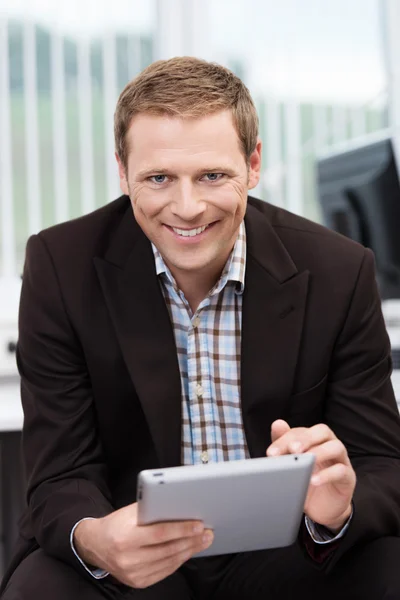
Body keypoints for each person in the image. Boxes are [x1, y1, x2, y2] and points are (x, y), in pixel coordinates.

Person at [1, 56, 400, 600]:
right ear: (122, 173)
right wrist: (96, 540)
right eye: (159, 178)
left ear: (253, 164)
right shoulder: (60, 265)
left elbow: (382, 465)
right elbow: (59, 473)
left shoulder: (339, 269)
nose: (186, 209)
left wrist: (337, 510)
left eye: (212, 175)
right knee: (39, 588)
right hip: (136, 559)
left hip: (291, 552)